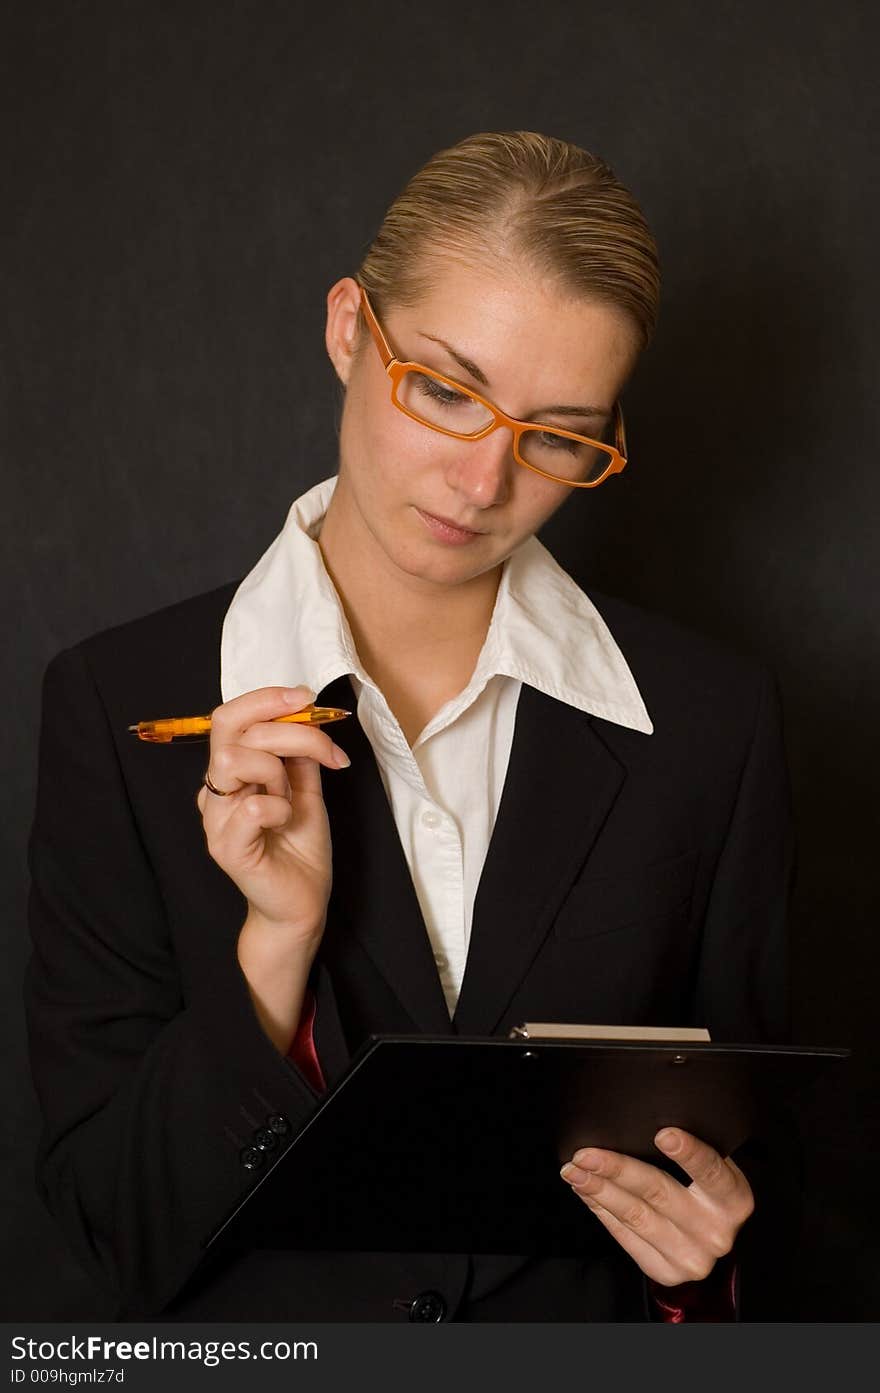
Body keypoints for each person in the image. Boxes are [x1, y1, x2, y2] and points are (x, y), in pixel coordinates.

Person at [24, 130, 797, 1323]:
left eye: (555, 434)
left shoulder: (712, 725)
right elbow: (113, 1234)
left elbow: (776, 1163)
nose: (482, 482)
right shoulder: (112, 710)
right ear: (348, 328)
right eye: (443, 388)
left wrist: (713, 1264)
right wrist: (272, 950)